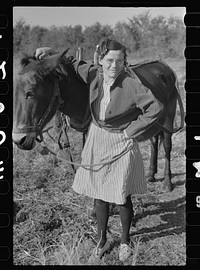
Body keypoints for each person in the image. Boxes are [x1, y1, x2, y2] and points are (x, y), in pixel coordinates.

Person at [35, 39, 164, 262]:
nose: (114, 66)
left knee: (122, 195)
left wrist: (131, 130)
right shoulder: (94, 74)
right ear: (101, 60)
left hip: (122, 140)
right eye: (110, 60)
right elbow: (73, 63)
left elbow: (155, 108)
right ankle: (102, 241)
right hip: (97, 137)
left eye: (120, 61)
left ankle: (125, 241)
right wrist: (51, 51)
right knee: (99, 194)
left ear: (125, 61)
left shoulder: (132, 84)